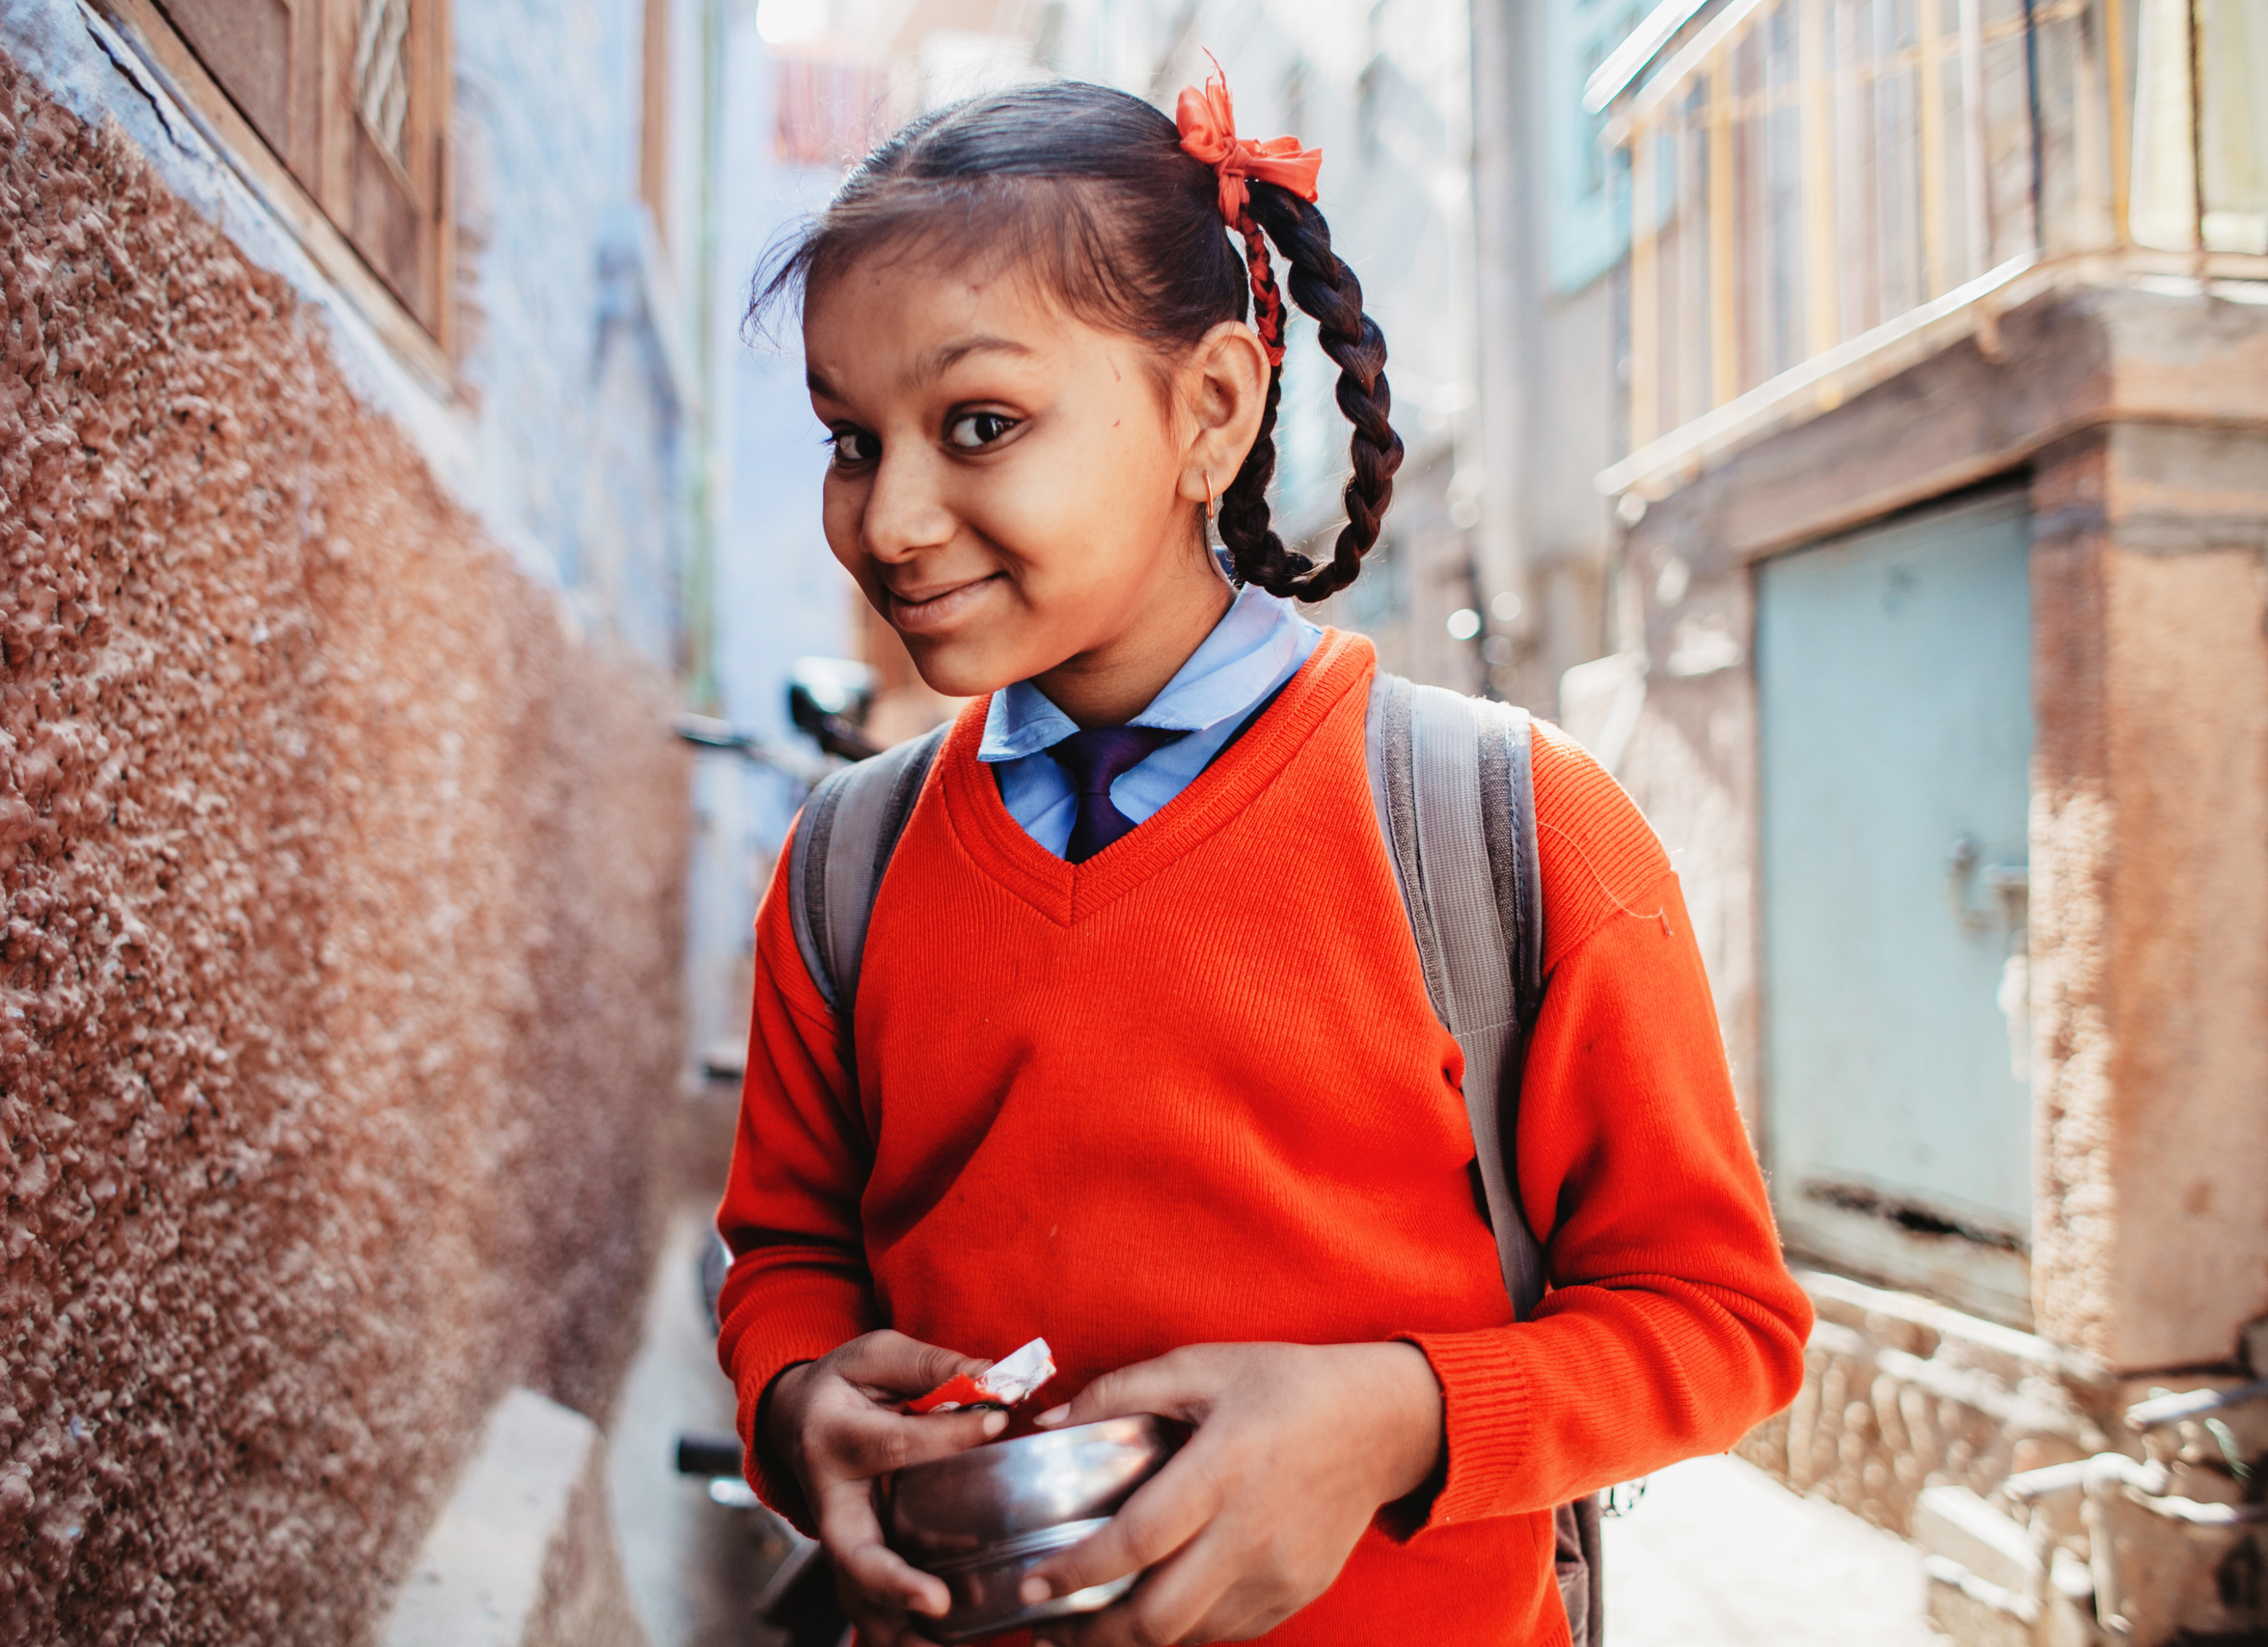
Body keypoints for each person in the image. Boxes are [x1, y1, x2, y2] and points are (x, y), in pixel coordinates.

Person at [713, 69, 1813, 1647]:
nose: (889, 521)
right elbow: (787, 1255)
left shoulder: (1499, 827)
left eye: (979, 426)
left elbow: (1720, 1328)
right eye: (849, 440)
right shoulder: (849, 865)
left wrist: (1396, 1416)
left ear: (1211, 411)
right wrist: (795, 1399)